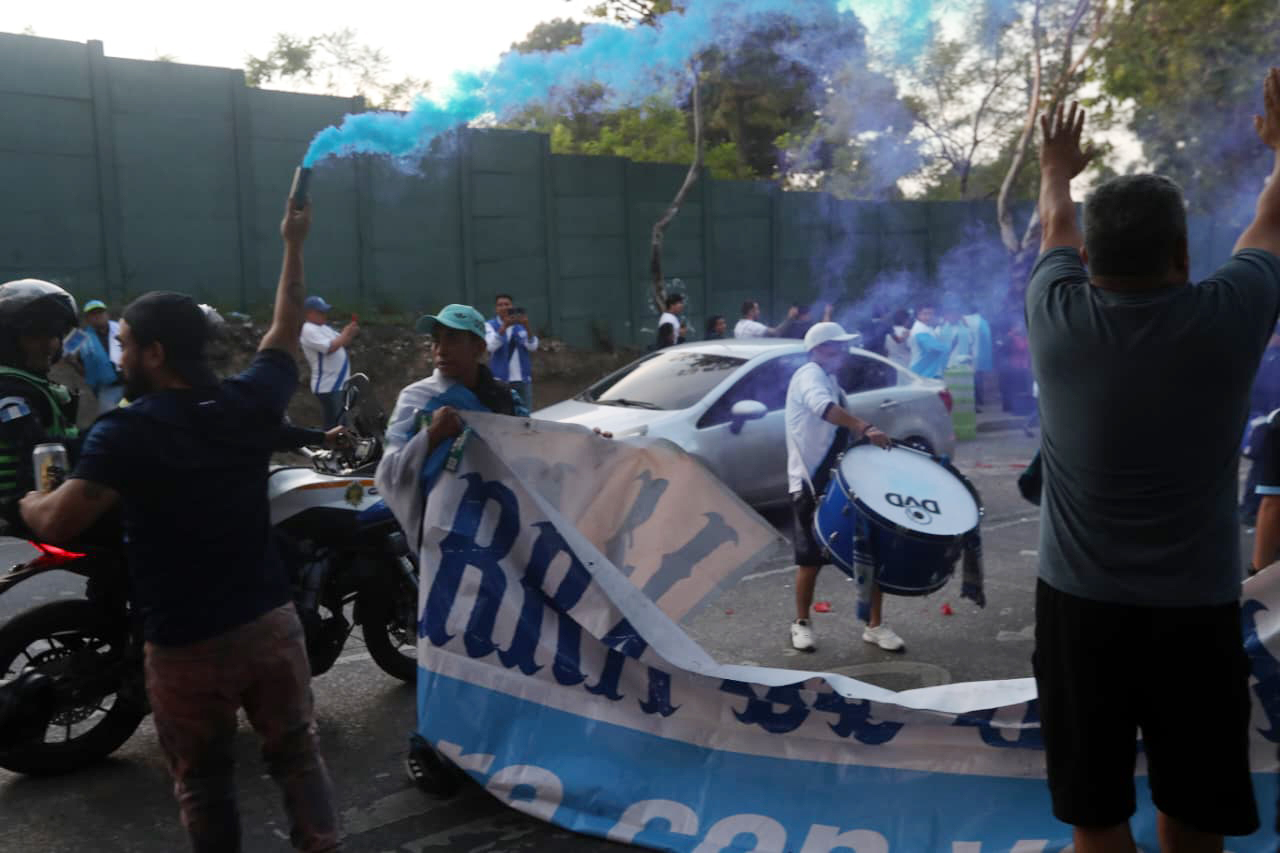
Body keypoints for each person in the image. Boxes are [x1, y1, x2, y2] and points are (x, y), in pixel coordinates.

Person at [20, 192, 341, 851]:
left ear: (156, 354)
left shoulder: (125, 431)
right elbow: (284, 330)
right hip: (271, 627)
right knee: (298, 757)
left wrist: (25, 501)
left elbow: (61, 518)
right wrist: (293, 243)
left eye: (127, 344)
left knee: (204, 783)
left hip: (185, 646)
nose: (121, 354)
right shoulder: (251, 400)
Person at [1026, 78, 1280, 851]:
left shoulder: (1055, 315)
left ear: (1088, 257)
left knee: (1096, 812)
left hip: (1077, 611)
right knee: (1196, 809)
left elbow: (1053, 223)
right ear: (1183, 252)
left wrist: (1055, 168)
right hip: (1194, 615)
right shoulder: (1228, 317)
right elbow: (1272, 220)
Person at [784, 321, 896, 654]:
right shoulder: (809, 375)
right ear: (818, 350)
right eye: (837, 346)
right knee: (810, 559)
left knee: (869, 550)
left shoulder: (829, 379)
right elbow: (825, 410)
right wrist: (865, 427)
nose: (843, 353)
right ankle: (801, 623)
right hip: (809, 481)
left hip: (840, 479)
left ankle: (874, 626)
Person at [0, 280, 81, 529]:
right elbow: (34, 444)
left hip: (44, 509)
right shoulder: (8, 390)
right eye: (36, 336)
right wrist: (108, 440)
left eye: (53, 336)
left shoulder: (34, 386)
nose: (49, 345)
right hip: (16, 521)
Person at [300, 295, 357, 429]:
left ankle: (336, 448)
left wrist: (350, 333)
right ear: (309, 313)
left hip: (337, 385)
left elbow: (341, 342)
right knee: (336, 426)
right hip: (328, 385)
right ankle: (332, 448)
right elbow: (330, 347)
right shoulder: (308, 329)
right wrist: (345, 333)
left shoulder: (323, 328)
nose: (324, 315)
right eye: (320, 312)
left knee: (339, 423)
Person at [65, 299, 124, 415]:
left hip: (128, 381)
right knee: (110, 416)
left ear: (107, 314)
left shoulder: (120, 328)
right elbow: (65, 354)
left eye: (100, 312)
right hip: (105, 387)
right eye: (93, 314)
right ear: (87, 319)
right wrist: (83, 371)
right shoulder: (81, 335)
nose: (97, 316)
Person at [485, 294, 539, 412]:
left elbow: (533, 346)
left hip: (522, 381)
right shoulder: (490, 325)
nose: (504, 307)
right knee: (504, 415)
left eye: (507, 304)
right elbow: (490, 347)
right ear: (496, 309)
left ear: (512, 307)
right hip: (501, 381)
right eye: (500, 305)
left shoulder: (520, 325)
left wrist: (527, 326)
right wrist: (504, 327)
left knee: (526, 416)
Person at [964, 304, 994, 412]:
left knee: (970, 380)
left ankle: (975, 401)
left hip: (968, 354)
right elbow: (987, 339)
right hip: (980, 355)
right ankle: (979, 399)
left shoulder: (964, 320)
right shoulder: (982, 321)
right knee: (978, 378)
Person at [908, 303, 950, 379]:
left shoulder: (926, 327)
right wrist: (948, 347)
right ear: (918, 314)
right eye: (925, 314)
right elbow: (932, 347)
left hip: (927, 370)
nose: (929, 317)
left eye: (931, 314)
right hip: (922, 371)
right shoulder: (920, 330)